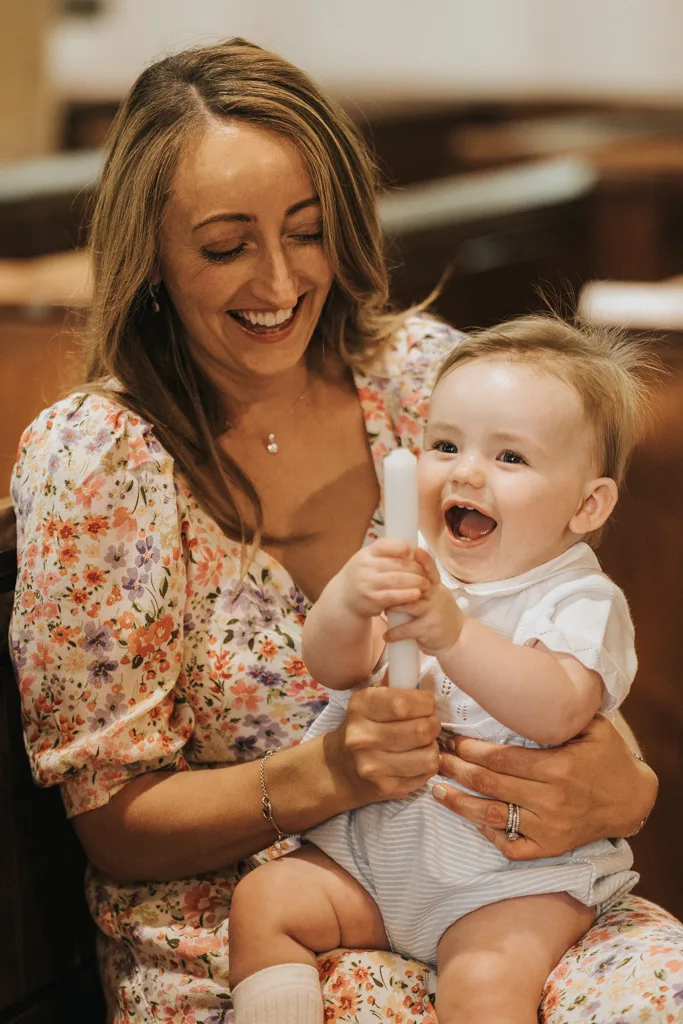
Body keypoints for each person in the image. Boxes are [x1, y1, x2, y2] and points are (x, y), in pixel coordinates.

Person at [7, 37, 677, 1024]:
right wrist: (328, 773)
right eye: (226, 245)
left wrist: (620, 787)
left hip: (495, 891)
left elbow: (552, 630)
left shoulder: (431, 385)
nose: (278, 283)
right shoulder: (98, 458)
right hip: (245, 927)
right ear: (149, 249)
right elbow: (117, 826)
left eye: (308, 231)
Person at [227, 315, 652, 1023]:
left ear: (586, 505)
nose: (465, 470)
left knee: (484, 984)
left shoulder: (579, 598)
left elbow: (557, 708)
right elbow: (331, 666)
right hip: (368, 866)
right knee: (264, 902)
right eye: (445, 444)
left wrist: (451, 634)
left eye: (509, 458)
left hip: (504, 882)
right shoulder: (414, 560)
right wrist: (349, 600)